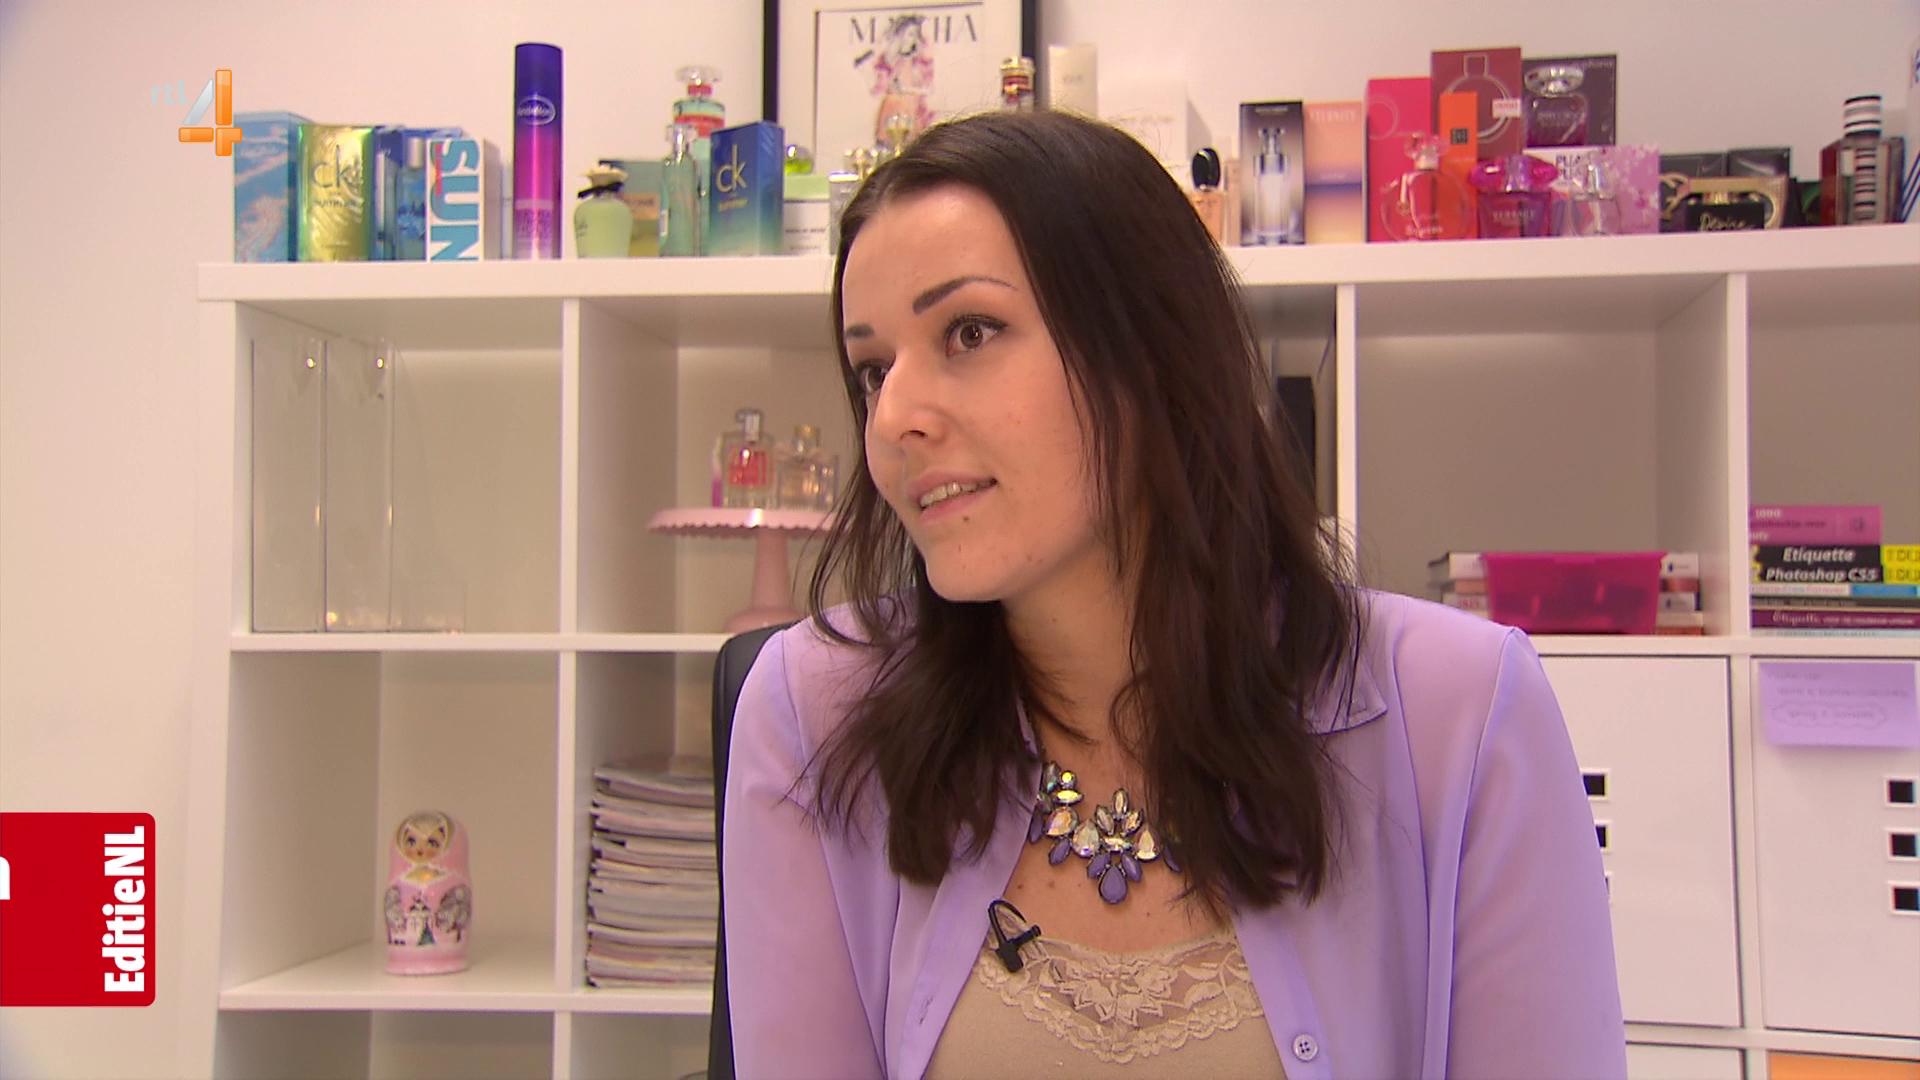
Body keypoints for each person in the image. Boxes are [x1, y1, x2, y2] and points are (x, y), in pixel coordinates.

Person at [722, 109, 1625, 1079]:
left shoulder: (1461, 717)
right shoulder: (812, 715)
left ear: (1150, 351)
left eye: (969, 332)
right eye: (873, 370)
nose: (894, 415)